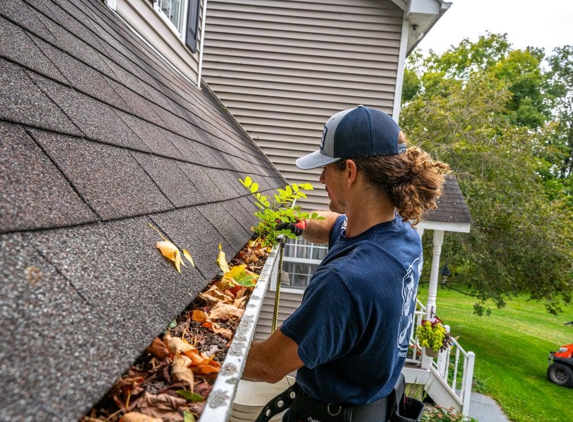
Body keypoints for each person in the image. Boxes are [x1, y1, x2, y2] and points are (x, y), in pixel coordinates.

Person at [242, 105, 449, 422]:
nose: (322, 177)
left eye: (327, 168)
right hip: (375, 408)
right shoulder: (402, 237)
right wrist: (296, 222)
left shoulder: (347, 281)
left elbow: (266, 365)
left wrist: (206, 352)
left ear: (350, 172)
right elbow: (335, 224)